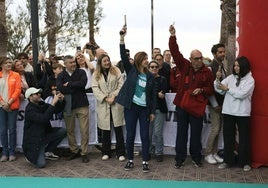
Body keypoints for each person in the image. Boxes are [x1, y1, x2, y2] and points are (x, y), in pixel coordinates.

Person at [168, 25, 214, 168]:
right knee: (181, 133)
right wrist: (173, 36)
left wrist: (201, 90)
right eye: (196, 58)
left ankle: (196, 157)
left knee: (196, 134)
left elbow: (211, 89)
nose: (200, 60)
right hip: (182, 106)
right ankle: (179, 158)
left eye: (201, 58)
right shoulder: (184, 66)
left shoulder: (207, 71)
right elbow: (175, 52)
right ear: (191, 59)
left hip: (197, 107)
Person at [116, 26, 156, 173]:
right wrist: (122, 38)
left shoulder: (151, 76)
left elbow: (152, 96)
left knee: (145, 135)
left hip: (145, 109)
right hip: (131, 108)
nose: (147, 61)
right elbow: (123, 56)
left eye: (147, 58)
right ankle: (130, 160)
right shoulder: (131, 70)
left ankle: (145, 161)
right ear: (139, 60)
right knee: (131, 134)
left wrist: (152, 112)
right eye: (145, 59)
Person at [216, 56, 254, 172]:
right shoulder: (230, 78)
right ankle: (228, 161)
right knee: (228, 137)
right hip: (228, 111)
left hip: (242, 113)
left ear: (244, 66)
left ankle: (245, 162)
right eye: (235, 65)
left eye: (238, 65)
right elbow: (219, 89)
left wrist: (228, 89)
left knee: (244, 138)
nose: (236, 68)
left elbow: (242, 94)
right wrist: (217, 80)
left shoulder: (250, 80)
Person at [92, 54, 126, 161]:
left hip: (115, 103)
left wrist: (113, 96)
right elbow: (95, 88)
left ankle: (120, 153)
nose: (107, 63)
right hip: (104, 104)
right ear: (100, 63)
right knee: (105, 130)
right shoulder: (96, 73)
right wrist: (105, 98)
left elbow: (121, 85)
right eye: (104, 61)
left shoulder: (116, 70)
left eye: (108, 60)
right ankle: (106, 152)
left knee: (118, 129)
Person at [56, 55, 90, 163]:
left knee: (84, 130)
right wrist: (74, 87)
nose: (73, 64)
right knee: (70, 130)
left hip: (82, 104)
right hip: (68, 105)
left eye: (74, 62)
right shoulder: (61, 75)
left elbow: (83, 84)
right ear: (65, 64)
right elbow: (60, 87)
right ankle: (74, 151)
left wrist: (69, 85)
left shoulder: (81, 72)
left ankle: (84, 152)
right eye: (70, 62)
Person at [22, 87, 66, 168]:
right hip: (34, 141)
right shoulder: (29, 110)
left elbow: (57, 109)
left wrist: (61, 100)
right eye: (36, 93)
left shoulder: (42, 104)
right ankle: (29, 156)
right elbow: (43, 119)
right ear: (30, 97)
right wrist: (53, 103)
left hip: (44, 136)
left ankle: (47, 151)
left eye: (39, 93)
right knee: (41, 164)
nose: (39, 94)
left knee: (63, 131)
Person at [205, 43, 227, 165]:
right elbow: (209, 89)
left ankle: (214, 152)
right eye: (220, 52)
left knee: (218, 129)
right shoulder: (210, 68)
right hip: (215, 104)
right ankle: (208, 153)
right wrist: (214, 104)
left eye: (223, 52)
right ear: (214, 54)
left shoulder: (222, 66)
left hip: (222, 103)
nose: (223, 54)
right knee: (215, 128)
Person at [0, 57, 21, 162]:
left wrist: (9, 102)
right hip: (1, 107)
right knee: (3, 130)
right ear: (1, 65)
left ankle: (12, 152)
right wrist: (3, 103)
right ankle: (4, 152)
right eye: (6, 63)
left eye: (10, 62)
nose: (9, 64)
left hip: (12, 106)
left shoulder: (16, 75)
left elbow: (18, 90)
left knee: (12, 129)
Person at [148, 60, 168, 162]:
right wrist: (156, 94)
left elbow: (163, 92)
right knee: (148, 133)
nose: (154, 68)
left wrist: (155, 94)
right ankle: (148, 152)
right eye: (152, 67)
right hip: (147, 110)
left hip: (159, 109)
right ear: (148, 68)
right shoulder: (146, 79)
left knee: (157, 133)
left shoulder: (163, 79)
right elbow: (147, 94)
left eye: (156, 66)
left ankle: (159, 152)